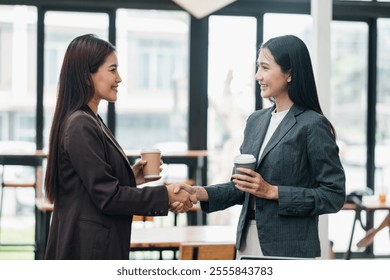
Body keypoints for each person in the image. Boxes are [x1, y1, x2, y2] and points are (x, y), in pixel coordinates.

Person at [182, 35, 346, 259]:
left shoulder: (312, 125)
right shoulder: (255, 121)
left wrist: (273, 191)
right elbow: (241, 186)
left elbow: (334, 195)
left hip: (289, 250)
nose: (258, 76)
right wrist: (200, 193)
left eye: (265, 67)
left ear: (289, 73)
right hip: (246, 243)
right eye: (258, 67)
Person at [44, 34, 196, 260]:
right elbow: (108, 198)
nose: (119, 78)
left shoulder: (90, 120)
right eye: (112, 70)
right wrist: (164, 195)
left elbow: (92, 187)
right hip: (87, 251)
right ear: (87, 76)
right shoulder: (80, 124)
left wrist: (131, 178)